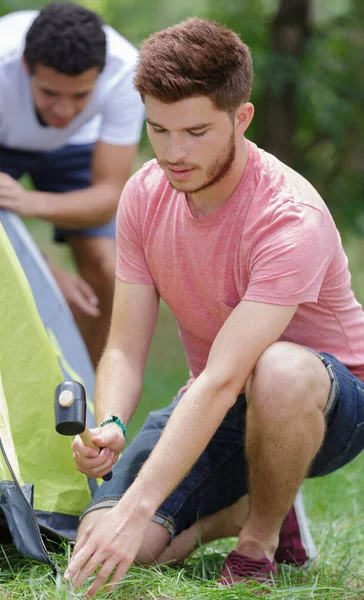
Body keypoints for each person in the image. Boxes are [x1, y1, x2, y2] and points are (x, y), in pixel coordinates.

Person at [65, 17, 364, 595]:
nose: (175, 153)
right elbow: (126, 343)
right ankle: (237, 509)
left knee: (277, 367)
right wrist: (110, 423)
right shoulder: (144, 194)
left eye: (197, 132)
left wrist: (140, 506)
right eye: (159, 130)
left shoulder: (288, 217)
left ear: (241, 117)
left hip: (325, 401)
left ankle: (259, 538)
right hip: (217, 397)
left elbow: (227, 375)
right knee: (105, 541)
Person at [0, 2, 144, 366]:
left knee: (109, 272)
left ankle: (88, 400)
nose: (63, 110)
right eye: (49, 93)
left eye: (80, 96)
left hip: (78, 145)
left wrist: (27, 202)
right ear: (26, 67)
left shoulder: (128, 72)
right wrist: (44, 272)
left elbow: (109, 197)